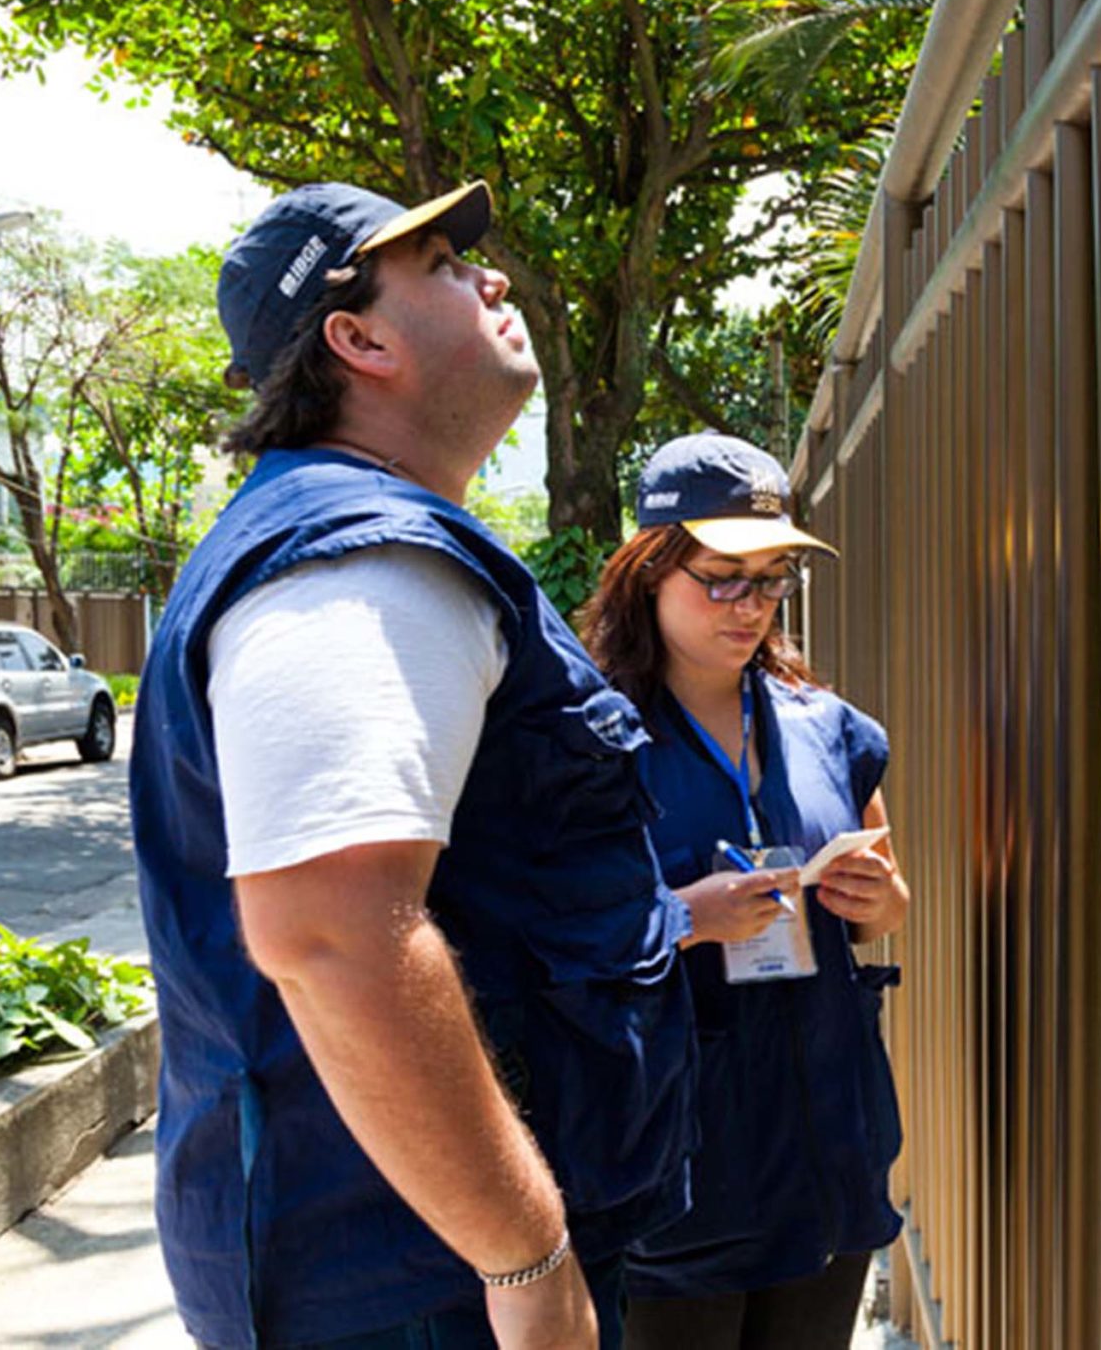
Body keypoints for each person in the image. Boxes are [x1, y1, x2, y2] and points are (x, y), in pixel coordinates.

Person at [131, 181, 728, 1349]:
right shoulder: (359, 559)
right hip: (422, 1289)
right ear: (359, 341)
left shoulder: (355, 540)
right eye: (444, 263)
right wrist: (525, 1259)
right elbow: (330, 932)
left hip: (407, 1267)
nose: (491, 275)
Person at [578, 433, 911, 1349]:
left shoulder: (827, 727)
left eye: (771, 580)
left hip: (827, 1154)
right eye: (722, 578)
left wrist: (878, 899)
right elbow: (544, 936)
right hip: (677, 1172)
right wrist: (687, 916)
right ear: (650, 570)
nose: (752, 605)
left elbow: (890, 907)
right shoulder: (590, 741)